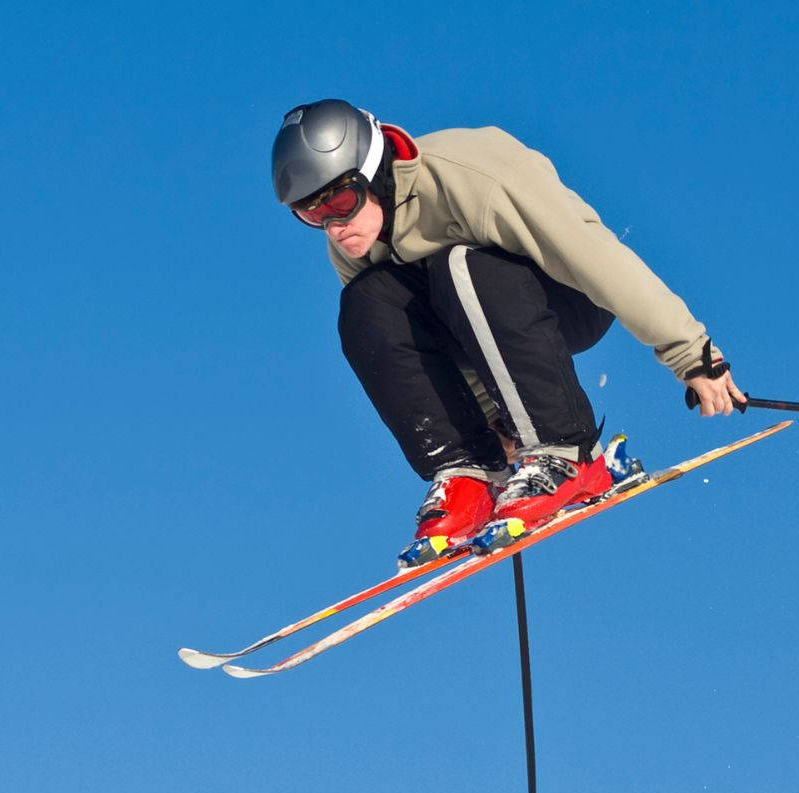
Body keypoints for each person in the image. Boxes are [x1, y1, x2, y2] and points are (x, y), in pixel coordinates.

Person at [270, 99, 746, 566]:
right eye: (311, 214)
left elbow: (594, 257)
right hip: (479, 326)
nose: (333, 225)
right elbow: (416, 345)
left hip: (566, 296)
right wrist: (495, 423)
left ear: (374, 171)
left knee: (461, 263)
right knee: (366, 303)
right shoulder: (356, 243)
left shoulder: (472, 175)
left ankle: (570, 453)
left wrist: (691, 354)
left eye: (340, 201)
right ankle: (470, 472)